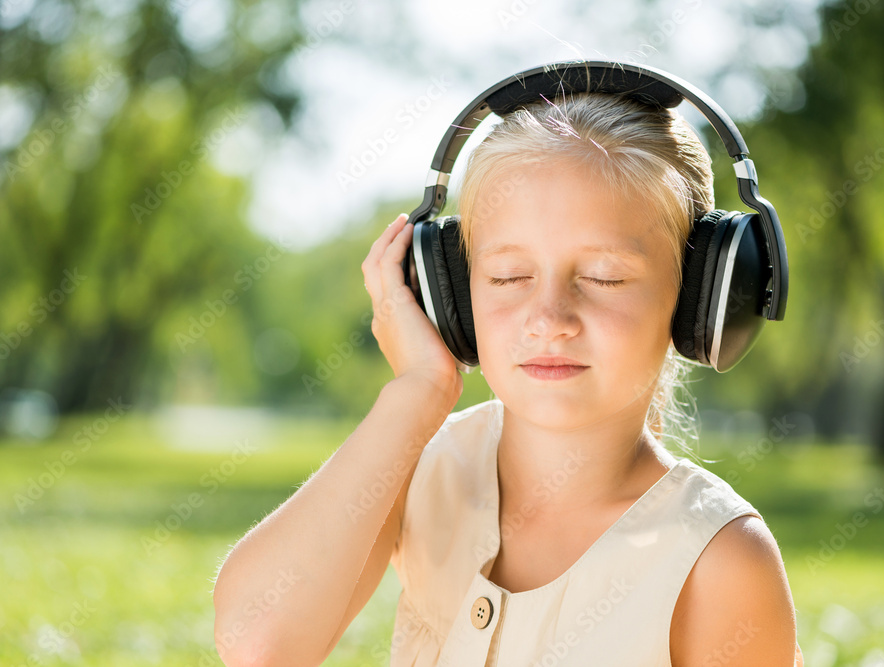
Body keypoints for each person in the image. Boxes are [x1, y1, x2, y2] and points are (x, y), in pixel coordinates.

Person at [212, 91, 804, 666]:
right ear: (453, 298)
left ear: (701, 301)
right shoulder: (418, 468)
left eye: (604, 277)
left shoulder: (716, 558)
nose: (549, 319)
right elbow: (259, 645)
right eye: (507, 276)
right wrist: (418, 391)